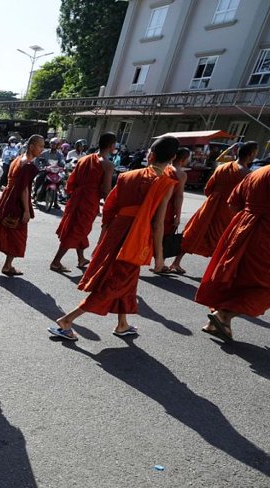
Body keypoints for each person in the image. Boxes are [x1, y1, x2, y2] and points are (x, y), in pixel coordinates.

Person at [48, 136, 179, 341]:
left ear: (150, 155)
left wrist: (105, 233)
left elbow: (110, 206)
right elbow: (157, 223)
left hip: (117, 230)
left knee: (127, 279)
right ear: (172, 158)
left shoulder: (128, 176)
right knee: (116, 281)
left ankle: (122, 324)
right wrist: (159, 258)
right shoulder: (165, 183)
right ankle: (67, 320)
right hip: (136, 237)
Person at [195, 135, 270, 342]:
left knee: (234, 277)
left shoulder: (257, 173)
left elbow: (233, 204)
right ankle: (224, 315)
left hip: (241, 231)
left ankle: (215, 323)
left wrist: (251, 216)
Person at [168, 141, 258, 274]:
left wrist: (214, 198)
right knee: (224, 239)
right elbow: (246, 197)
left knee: (194, 232)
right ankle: (216, 271)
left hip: (210, 206)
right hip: (228, 209)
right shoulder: (248, 174)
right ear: (251, 155)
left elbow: (207, 189)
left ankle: (176, 262)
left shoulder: (223, 167)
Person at [50, 132, 116, 272]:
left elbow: (71, 182)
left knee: (79, 229)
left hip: (77, 198)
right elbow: (106, 189)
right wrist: (111, 206)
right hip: (89, 200)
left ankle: (81, 259)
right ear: (112, 146)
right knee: (76, 230)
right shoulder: (107, 164)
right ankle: (56, 261)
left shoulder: (84, 159)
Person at [0, 134, 43, 275]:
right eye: (40, 146)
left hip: (7, 198)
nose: (42, 149)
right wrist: (26, 210)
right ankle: (7, 265)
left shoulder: (18, 159)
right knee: (17, 233)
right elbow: (24, 189)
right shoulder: (27, 164)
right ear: (31, 146)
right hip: (16, 201)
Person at [150, 147, 190, 273]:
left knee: (151, 232)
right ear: (183, 159)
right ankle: (159, 263)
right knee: (163, 235)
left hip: (155, 204)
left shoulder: (163, 168)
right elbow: (178, 196)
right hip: (168, 207)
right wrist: (177, 216)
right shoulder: (181, 174)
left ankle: (156, 261)